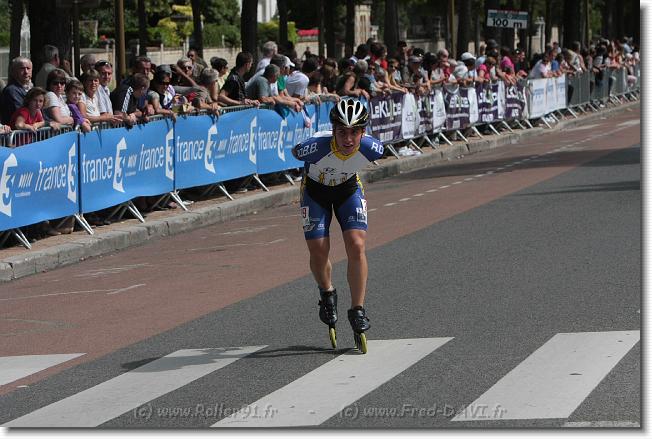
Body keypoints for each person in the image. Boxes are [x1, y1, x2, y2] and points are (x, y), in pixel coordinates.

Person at [291, 99, 384, 352]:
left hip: (348, 190)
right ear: (333, 130)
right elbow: (295, 152)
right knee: (319, 250)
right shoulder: (315, 147)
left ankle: (358, 309)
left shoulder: (373, 148)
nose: (348, 139)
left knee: (357, 245)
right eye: (342, 132)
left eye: (354, 132)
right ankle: (327, 292)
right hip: (315, 193)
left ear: (363, 132)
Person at [1, 57, 33, 125]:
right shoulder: (12, 90)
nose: (26, 72)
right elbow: (21, 114)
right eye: (22, 68)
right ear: (14, 71)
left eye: (28, 68)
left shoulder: (30, 88)